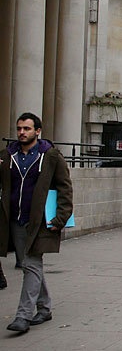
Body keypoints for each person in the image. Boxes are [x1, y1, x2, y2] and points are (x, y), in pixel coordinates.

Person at [0, 112, 74, 333]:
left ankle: (23, 316)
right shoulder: (8, 155)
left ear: (38, 131)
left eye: (27, 129)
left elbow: (65, 188)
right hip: (15, 219)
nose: (22, 132)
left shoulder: (50, 156)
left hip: (40, 221)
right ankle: (44, 307)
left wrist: (61, 217)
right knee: (29, 265)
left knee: (31, 264)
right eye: (19, 128)